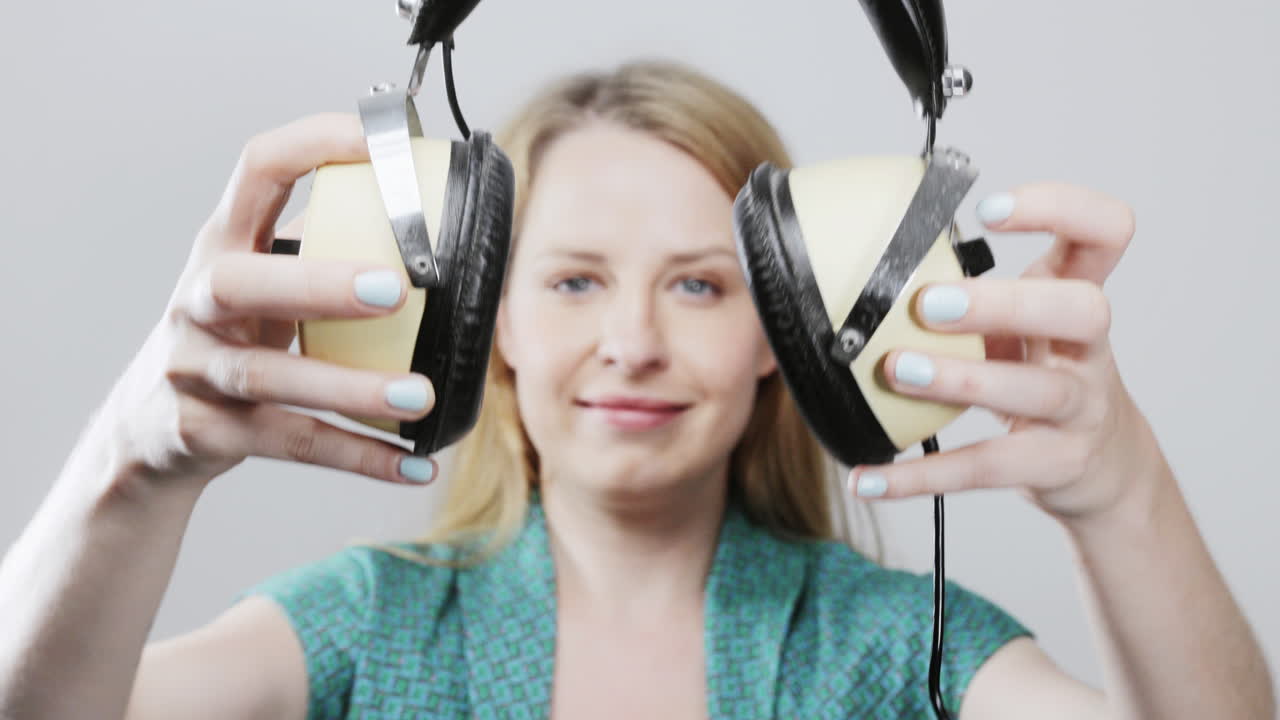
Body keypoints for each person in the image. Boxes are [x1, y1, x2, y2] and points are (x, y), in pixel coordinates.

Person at [0, 59, 1272, 720]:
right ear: (480, 319)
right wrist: (132, 461)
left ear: (787, 329)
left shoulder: (894, 652)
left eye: (700, 286)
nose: (631, 343)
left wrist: (1119, 492)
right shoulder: (361, 628)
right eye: (571, 281)